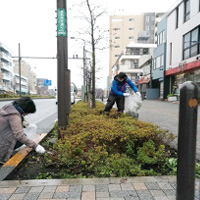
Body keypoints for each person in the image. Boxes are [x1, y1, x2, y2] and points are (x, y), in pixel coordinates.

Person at [0, 97, 46, 164]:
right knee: (23, 137)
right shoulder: (15, 116)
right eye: (28, 113)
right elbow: (19, 136)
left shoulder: (8, 108)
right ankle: (5, 155)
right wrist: (36, 146)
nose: (26, 114)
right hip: (2, 146)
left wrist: (22, 121)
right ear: (25, 109)